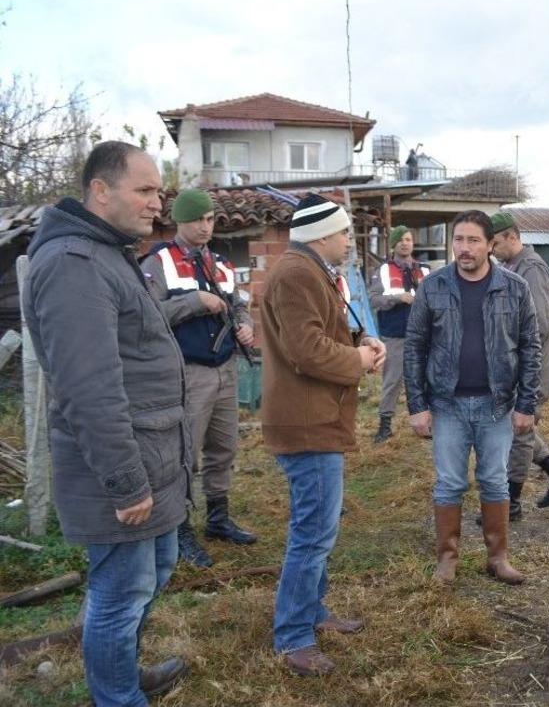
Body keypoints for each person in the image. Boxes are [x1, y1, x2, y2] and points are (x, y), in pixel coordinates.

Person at [22, 141, 190, 706]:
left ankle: (120, 671)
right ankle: (117, 696)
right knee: (121, 592)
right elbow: (88, 388)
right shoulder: (74, 264)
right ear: (100, 190)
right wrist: (124, 481)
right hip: (122, 466)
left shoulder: (106, 253)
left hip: (153, 453)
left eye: (159, 192)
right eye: (144, 190)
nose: (156, 203)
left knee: (154, 571)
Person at [260, 193, 386, 676]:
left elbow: (324, 333)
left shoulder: (310, 272)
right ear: (322, 235)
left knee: (318, 529)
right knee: (312, 534)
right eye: (344, 234)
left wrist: (362, 343)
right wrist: (356, 360)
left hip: (317, 419)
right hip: (307, 422)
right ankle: (293, 637)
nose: (349, 242)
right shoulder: (296, 274)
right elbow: (305, 349)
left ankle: (311, 613)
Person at [404, 209, 541, 586]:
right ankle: (447, 559)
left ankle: (498, 558)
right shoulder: (433, 286)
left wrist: (527, 404)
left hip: (496, 405)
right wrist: (417, 405)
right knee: (449, 483)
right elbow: (415, 347)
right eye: (459, 240)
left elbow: (531, 347)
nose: (464, 249)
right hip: (446, 405)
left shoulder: (514, 288)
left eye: (473, 240)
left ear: (490, 244)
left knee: (495, 482)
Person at [143, 188, 258, 568]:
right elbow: (146, 315)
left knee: (223, 448)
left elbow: (239, 304)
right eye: (197, 220)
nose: (205, 226)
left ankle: (218, 518)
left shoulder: (220, 264)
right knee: (184, 454)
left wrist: (245, 325)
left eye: (209, 219)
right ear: (180, 221)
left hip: (225, 368)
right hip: (186, 372)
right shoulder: (157, 262)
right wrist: (195, 302)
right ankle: (180, 529)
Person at [489, 211, 549, 520]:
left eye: (495, 242)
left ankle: (510, 503)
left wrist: (521, 364)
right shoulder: (509, 266)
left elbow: (539, 326)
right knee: (517, 428)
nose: (491, 249)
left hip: (531, 368)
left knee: (518, 433)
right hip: (514, 366)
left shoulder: (532, 270)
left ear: (512, 237)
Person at [369, 225, 429, 443]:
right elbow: (374, 300)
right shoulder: (383, 270)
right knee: (392, 380)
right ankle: (385, 426)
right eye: (401, 240)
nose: (405, 243)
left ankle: (425, 423)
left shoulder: (424, 270)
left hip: (423, 335)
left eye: (409, 239)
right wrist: (397, 298)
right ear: (393, 245)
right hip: (395, 335)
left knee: (425, 379)